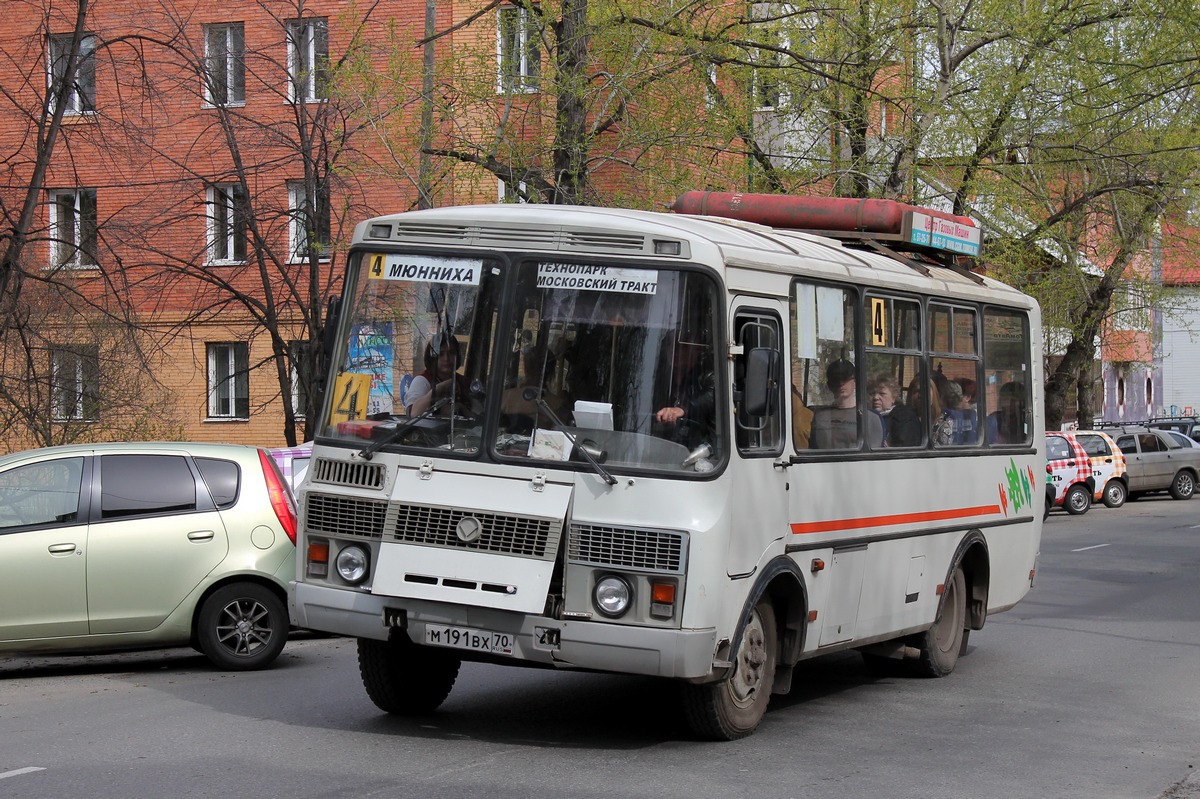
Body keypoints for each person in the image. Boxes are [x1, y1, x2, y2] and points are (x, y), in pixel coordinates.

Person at [654, 340, 716, 448]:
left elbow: (714, 394)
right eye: (669, 344)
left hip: (705, 451)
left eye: (680, 345)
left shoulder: (705, 374)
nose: (674, 350)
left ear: (696, 349)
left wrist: (683, 409)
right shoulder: (662, 380)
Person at [811, 359, 883, 448]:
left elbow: (874, 456)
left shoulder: (871, 418)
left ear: (855, 382)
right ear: (829, 384)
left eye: (845, 379)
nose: (841, 383)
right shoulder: (820, 416)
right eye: (835, 379)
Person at [405, 333, 473, 416]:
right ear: (432, 357)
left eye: (451, 353)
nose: (446, 359)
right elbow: (413, 413)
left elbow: (481, 419)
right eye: (440, 354)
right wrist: (440, 388)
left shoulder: (465, 382)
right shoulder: (423, 380)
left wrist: (461, 408)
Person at [869, 373, 921, 446]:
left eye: (882, 394)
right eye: (872, 393)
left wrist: (889, 450)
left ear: (893, 398)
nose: (875, 397)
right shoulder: (867, 416)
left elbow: (905, 449)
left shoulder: (905, 418)